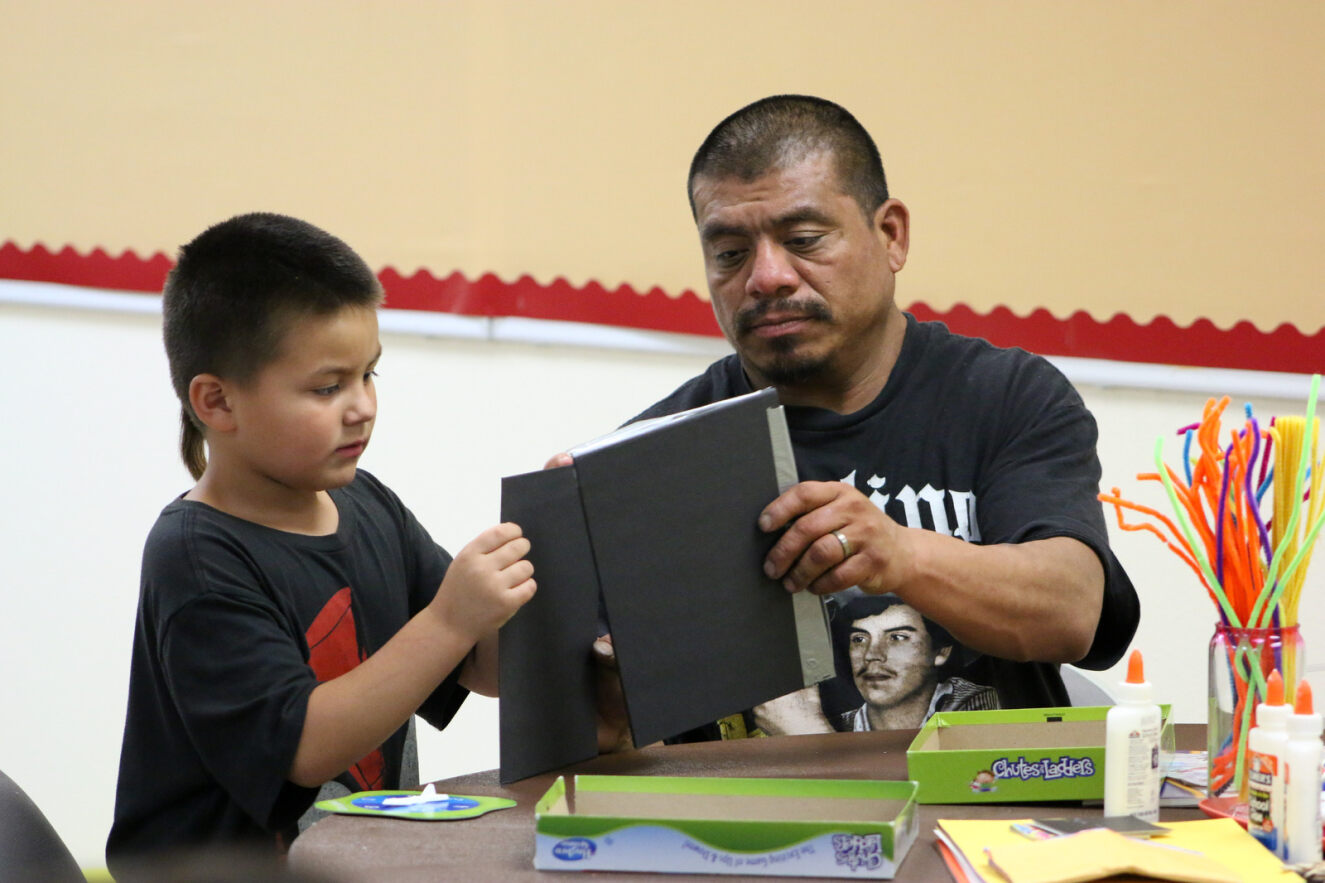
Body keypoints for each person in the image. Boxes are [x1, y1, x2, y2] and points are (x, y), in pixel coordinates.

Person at [614, 94, 1139, 742]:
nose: (766, 276)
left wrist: (898, 553)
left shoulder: (1005, 397)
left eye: (803, 240)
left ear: (890, 235)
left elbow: (1071, 608)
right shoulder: (654, 456)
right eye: (728, 253)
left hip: (981, 826)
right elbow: (597, 727)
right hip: (748, 831)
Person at [106, 213, 536, 869]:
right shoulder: (197, 555)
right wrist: (453, 616)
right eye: (328, 386)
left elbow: (479, 666)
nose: (361, 405)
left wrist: (543, 598)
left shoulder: (368, 505)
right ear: (217, 402)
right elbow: (302, 744)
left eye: (370, 375)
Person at [830, 592, 998, 732]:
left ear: (941, 651)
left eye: (897, 637)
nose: (871, 655)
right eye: (859, 639)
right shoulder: (833, 724)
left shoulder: (971, 703)